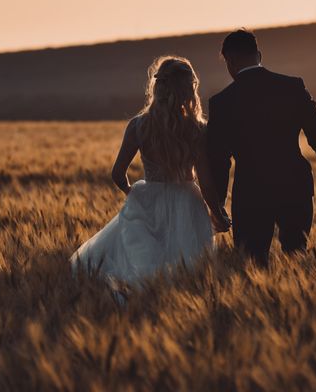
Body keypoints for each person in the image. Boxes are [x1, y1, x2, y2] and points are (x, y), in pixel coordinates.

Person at [70, 56, 230, 284]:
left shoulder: (138, 126)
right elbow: (205, 181)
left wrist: (133, 193)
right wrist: (217, 212)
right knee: (186, 270)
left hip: (148, 200)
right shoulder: (197, 129)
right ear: (188, 89)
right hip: (187, 201)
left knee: (144, 264)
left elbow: (117, 173)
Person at [208, 29, 316, 266]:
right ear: (259, 55)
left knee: (251, 262)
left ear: (229, 61)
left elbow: (219, 160)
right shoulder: (292, 87)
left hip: (250, 193)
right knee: (297, 256)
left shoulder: (221, 102)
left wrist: (218, 205)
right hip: (295, 186)